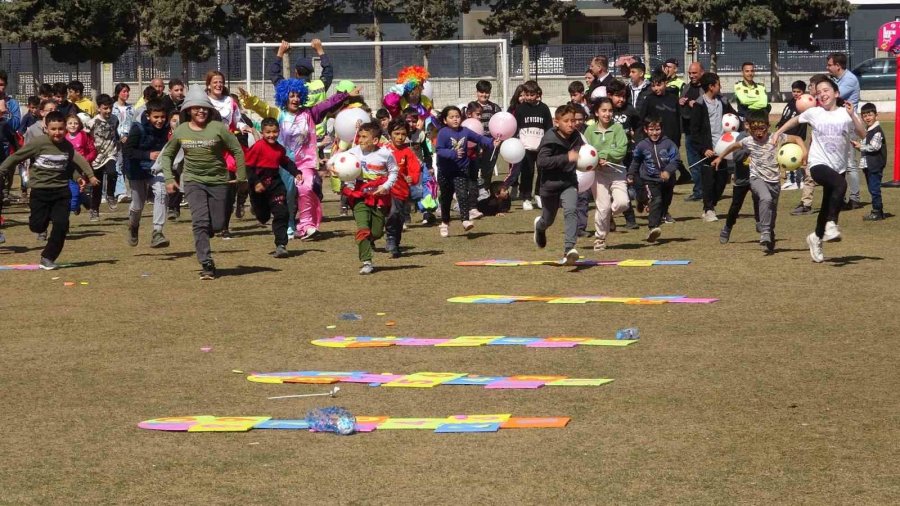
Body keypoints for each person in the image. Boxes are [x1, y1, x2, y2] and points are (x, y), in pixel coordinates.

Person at [239, 79, 351, 240]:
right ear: (284, 97)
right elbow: (261, 107)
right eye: (292, 95)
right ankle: (289, 224)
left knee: (307, 188)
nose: (296, 99)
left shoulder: (310, 114)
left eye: (298, 95)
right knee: (287, 194)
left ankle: (306, 225)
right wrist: (249, 100)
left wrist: (344, 95)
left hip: (305, 163)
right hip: (283, 162)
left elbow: (326, 104)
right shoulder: (278, 114)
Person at [772, 79, 865, 263]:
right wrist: (778, 132)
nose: (822, 94)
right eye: (819, 91)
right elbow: (795, 120)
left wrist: (853, 115)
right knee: (841, 185)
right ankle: (831, 225)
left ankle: (815, 238)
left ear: (836, 93)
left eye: (826, 90)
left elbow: (862, 133)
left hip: (837, 166)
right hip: (817, 164)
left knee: (828, 205)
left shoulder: (845, 114)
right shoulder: (814, 113)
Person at [159, 88, 247, 280]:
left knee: (216, 224)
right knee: (199, 222)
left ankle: (211, 230)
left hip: (218, 181)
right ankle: (206, 263)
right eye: (196, 108)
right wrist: (169, 178)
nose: (201, 111)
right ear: (188, 110)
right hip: (193, 181)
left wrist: (241, 177)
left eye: (204, 108)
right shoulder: (181, 130)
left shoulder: (218, 128)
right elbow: (167, 155)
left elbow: (237, 150)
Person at [0, 111, 98, 269]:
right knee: (37, 226)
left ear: (65, 129)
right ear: (46, 128)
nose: (57, 132)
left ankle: (48, 257)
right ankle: (41, 225)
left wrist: (84, 176)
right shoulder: (38, 143)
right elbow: (16, 157)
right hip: (40, 191)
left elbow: (73, 163)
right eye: (53, 129)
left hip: (61, 191)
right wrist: (2, 170)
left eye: (60, 129)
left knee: (61, 225)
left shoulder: (67, 146)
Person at [715, 111, 805, 251]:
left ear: (768, 127)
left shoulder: (776, 138)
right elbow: (733, 146)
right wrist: (720, 157)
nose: (758, 133)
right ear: (749, 128)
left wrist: (804, 151)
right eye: (754, 129)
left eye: (761, 129)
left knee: (771, 212)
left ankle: (769, 235)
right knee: (764, 199)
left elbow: (798, 138)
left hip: (774, 181)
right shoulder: (747, 140)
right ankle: (761, 232)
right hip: (755, 178)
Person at [337, 122, 397, 274]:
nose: (360, 140)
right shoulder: (354, 152)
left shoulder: (386, 154)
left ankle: (370, 240)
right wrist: (334, 168)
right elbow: (341, 165)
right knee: (363, 228)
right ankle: (366, 262)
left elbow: (394, 172)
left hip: (380, 197)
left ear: (375, 141)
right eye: (359, 136)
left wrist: (386, 186)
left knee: (376, 232)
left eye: (364, 137)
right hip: (359, 196)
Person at [532, 104, 583, 265]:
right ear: (556, 122)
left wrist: (594, 160)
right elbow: (541, 162)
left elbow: (582, 154)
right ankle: (540, 227)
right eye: (566, 121)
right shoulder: (549, 139)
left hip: (569, 182)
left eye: (573, 121)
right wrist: (566, 157)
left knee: (571, 210)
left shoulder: (576, 136)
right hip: (549, 185)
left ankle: (569, 250)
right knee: (548, 220)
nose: (571, 124)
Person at [435, 105, 497, 237]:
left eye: (457, 116)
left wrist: (491, 142)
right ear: (445, 120)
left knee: (462, 194)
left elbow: (479, 138)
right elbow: (439, 150)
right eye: (451, 117)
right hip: (445, 172)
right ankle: (445, 223)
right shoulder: (443, 133)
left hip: (461, 170)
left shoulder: (465, 131)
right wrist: (453, 153)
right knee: (446, 198)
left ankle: (465, 220)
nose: (455, 119)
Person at [245, 117, 303, 258]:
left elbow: (285, 162)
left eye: (275, 132)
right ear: (262, 132)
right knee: (263, 217)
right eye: (268, 132)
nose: (272, 135)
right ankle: (257, 209)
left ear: (279, 132)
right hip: (258, 186)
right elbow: (249, 167)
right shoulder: (258, 147)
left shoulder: (279, 149)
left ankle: (281, 245)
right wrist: (256, 182)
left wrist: (296, 172)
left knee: (282, 213)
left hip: (275, 184)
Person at [690, 72, 740, 222]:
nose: (720, 86)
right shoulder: (699, 105)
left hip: (723, 149)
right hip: (708, 151)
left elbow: (734, 117)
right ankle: (708, 209)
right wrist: (703, 149)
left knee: (722, 180)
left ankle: (712, 205)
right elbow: (695, 131)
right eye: (718, 84)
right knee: (709, 181)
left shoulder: (723, 102)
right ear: (711, 87)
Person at [124, 100, 171, 248]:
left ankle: (157, 231)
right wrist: (147, 155)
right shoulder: (137, 129)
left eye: (162, 117)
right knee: (138, 205)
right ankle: (133, 225)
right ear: (148, 115)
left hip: (155, 168)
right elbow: (127, 151)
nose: (159, 120)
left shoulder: (166, 129)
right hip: (136, 168)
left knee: (162, 191)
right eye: (156, 117)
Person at [585, 98, 628, 251]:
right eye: (604, 110)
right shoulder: (589, 131)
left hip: (617, 171)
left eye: (610, 110)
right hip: (598, 174)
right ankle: (600, 238)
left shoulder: (618, 128)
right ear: (597, 112)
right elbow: (586, 151)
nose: (608, 114)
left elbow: (622, 150)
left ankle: (609, 217)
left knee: (623, 203)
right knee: (602, 207)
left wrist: (605, 155)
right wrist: (596, 160)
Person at [628, 117, 679, 243]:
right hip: (650, 179)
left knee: (665, 202)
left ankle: (655, 214)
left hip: (668, 180)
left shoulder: (668, 143)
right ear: (646, 130)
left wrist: (668, 171)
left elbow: (676, 159)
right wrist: (630, 174)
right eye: (651, 129)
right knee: (656, 200)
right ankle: (653, 227)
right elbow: (636, 161)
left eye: (657, 129)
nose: (654, 133)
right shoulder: (642, 145)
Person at [826, 52, 863, 210]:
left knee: (849, 163)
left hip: (848, 123)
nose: (827, 67)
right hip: (838, 123)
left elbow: (833, 96)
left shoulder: (849, 80)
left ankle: (854, 198)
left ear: (838, 66)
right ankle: (840, 196)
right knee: (837, 162)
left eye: (829, 65)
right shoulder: (837, 79)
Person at [791, 73, 830, 216]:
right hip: (816, 143)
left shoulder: (824, 105)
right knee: (809, 172)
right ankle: (806, 203)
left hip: (825, 145)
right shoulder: (814, 103)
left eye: (811, 86)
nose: (809, 88)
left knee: (819, 173)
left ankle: (834, 199)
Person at [513, 80, 553, 210]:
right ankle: (526, 197)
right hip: (526, 148)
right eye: (526, 94)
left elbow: (548, 127)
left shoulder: (544, 108)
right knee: (527, 173)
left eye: (532, 94)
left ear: (538, 94)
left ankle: (539, 195)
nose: (529, 97)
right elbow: (515, 127)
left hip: (541, 147)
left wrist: (548, 144)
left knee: (542, 172)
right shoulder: (520, 109)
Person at [384, 118, 421, 258]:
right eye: (396, 133)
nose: (400, 137)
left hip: (400, 191)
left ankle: (394, 242)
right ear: (390, 133)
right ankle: (375, 237)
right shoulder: (383, 149)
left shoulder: (408, 152)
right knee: (385, 216)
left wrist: (412, 177)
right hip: (383, 190)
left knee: (396, 216)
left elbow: (415, 169)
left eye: (403, 134)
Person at [87, 93, 119, 221]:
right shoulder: (92, 122)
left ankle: (110, 195)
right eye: (105, 108)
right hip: (96, 157)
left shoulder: (115, 119)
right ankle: (94, 209)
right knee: (96, 185)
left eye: (110, 107)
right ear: (99, 108)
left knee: (112, 173)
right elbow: (86, 137)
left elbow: (115, 132)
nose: (108, 111)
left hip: (110, 153)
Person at [270, 39, 334, 104]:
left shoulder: (287, 87)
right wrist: (320, 50)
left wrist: (280, 53)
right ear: (311, 72)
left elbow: (274, 74)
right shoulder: (320, 86)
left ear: (296, 71)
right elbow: (328, 70)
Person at [853, 103, 887, 221]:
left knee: (874, 189)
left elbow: (874, 147)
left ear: (876, 115)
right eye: (864, 115)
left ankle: (877, 211)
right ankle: (879, 211)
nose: (867, 118)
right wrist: (859, 146)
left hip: (875, 165)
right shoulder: (869, 130)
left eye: (870, 115)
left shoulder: (876, 130)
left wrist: (861, 146)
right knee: (872, 188)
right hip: (869, 165)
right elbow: (868, 147)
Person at [776, 81, 809, 190]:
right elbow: (785, 116)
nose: (796, 94)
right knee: (787, 157)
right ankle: (791, 179)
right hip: (786, 134)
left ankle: (797, 181)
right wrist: (779, 127)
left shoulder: (803, 105)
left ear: (803, 92)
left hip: (796, 134)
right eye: (794, 91)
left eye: (798, 92)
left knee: (793, 157)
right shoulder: (791, 102)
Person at [680, 62, 705, 200]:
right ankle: (698, 190)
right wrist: (681, 101)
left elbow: (710, 104)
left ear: (702, 72)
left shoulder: (706, 87)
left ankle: (705, 190)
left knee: (703, 161)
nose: (691, 76)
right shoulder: (686, 87)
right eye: (690, 73)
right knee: (693, 162)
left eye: (694, 73)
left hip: (702, 131)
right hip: (689, 130)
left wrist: (696, 104)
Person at [64, 113, 97, 215]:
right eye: (70, 123)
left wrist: (86, 160)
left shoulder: (84, 136)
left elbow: (93, 151)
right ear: (65, 125)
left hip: (80, 168)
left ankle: (77, 204)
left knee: (78, 188)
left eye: (75, 123)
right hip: (67, 168)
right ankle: (82, 200)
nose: (73, 125)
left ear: (80, 125)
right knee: (70, 189)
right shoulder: (63, 137)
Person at [474, 79, 501, 190]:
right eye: (481, 92)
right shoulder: (472, 107)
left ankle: (486, 191)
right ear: (477, 92)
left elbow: (501, 125)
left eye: (487, 92)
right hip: (475, 143)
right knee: (474, 169)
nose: (484, 95)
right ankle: (474, 193)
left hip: (491, 143)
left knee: (488, 169)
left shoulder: (495, 108)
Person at [111, 83, 134, 207]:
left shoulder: (131, 108)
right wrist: (119, 137)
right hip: (116, 140)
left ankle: (129, 190)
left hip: (128, 140)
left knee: (127, 165)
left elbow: (133, 123)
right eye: (124, 91)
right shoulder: (113, 108)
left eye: (127, 91)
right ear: (118, 93)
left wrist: (128, 136)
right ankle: (120, 192)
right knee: (117, 164)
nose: (126, 94)